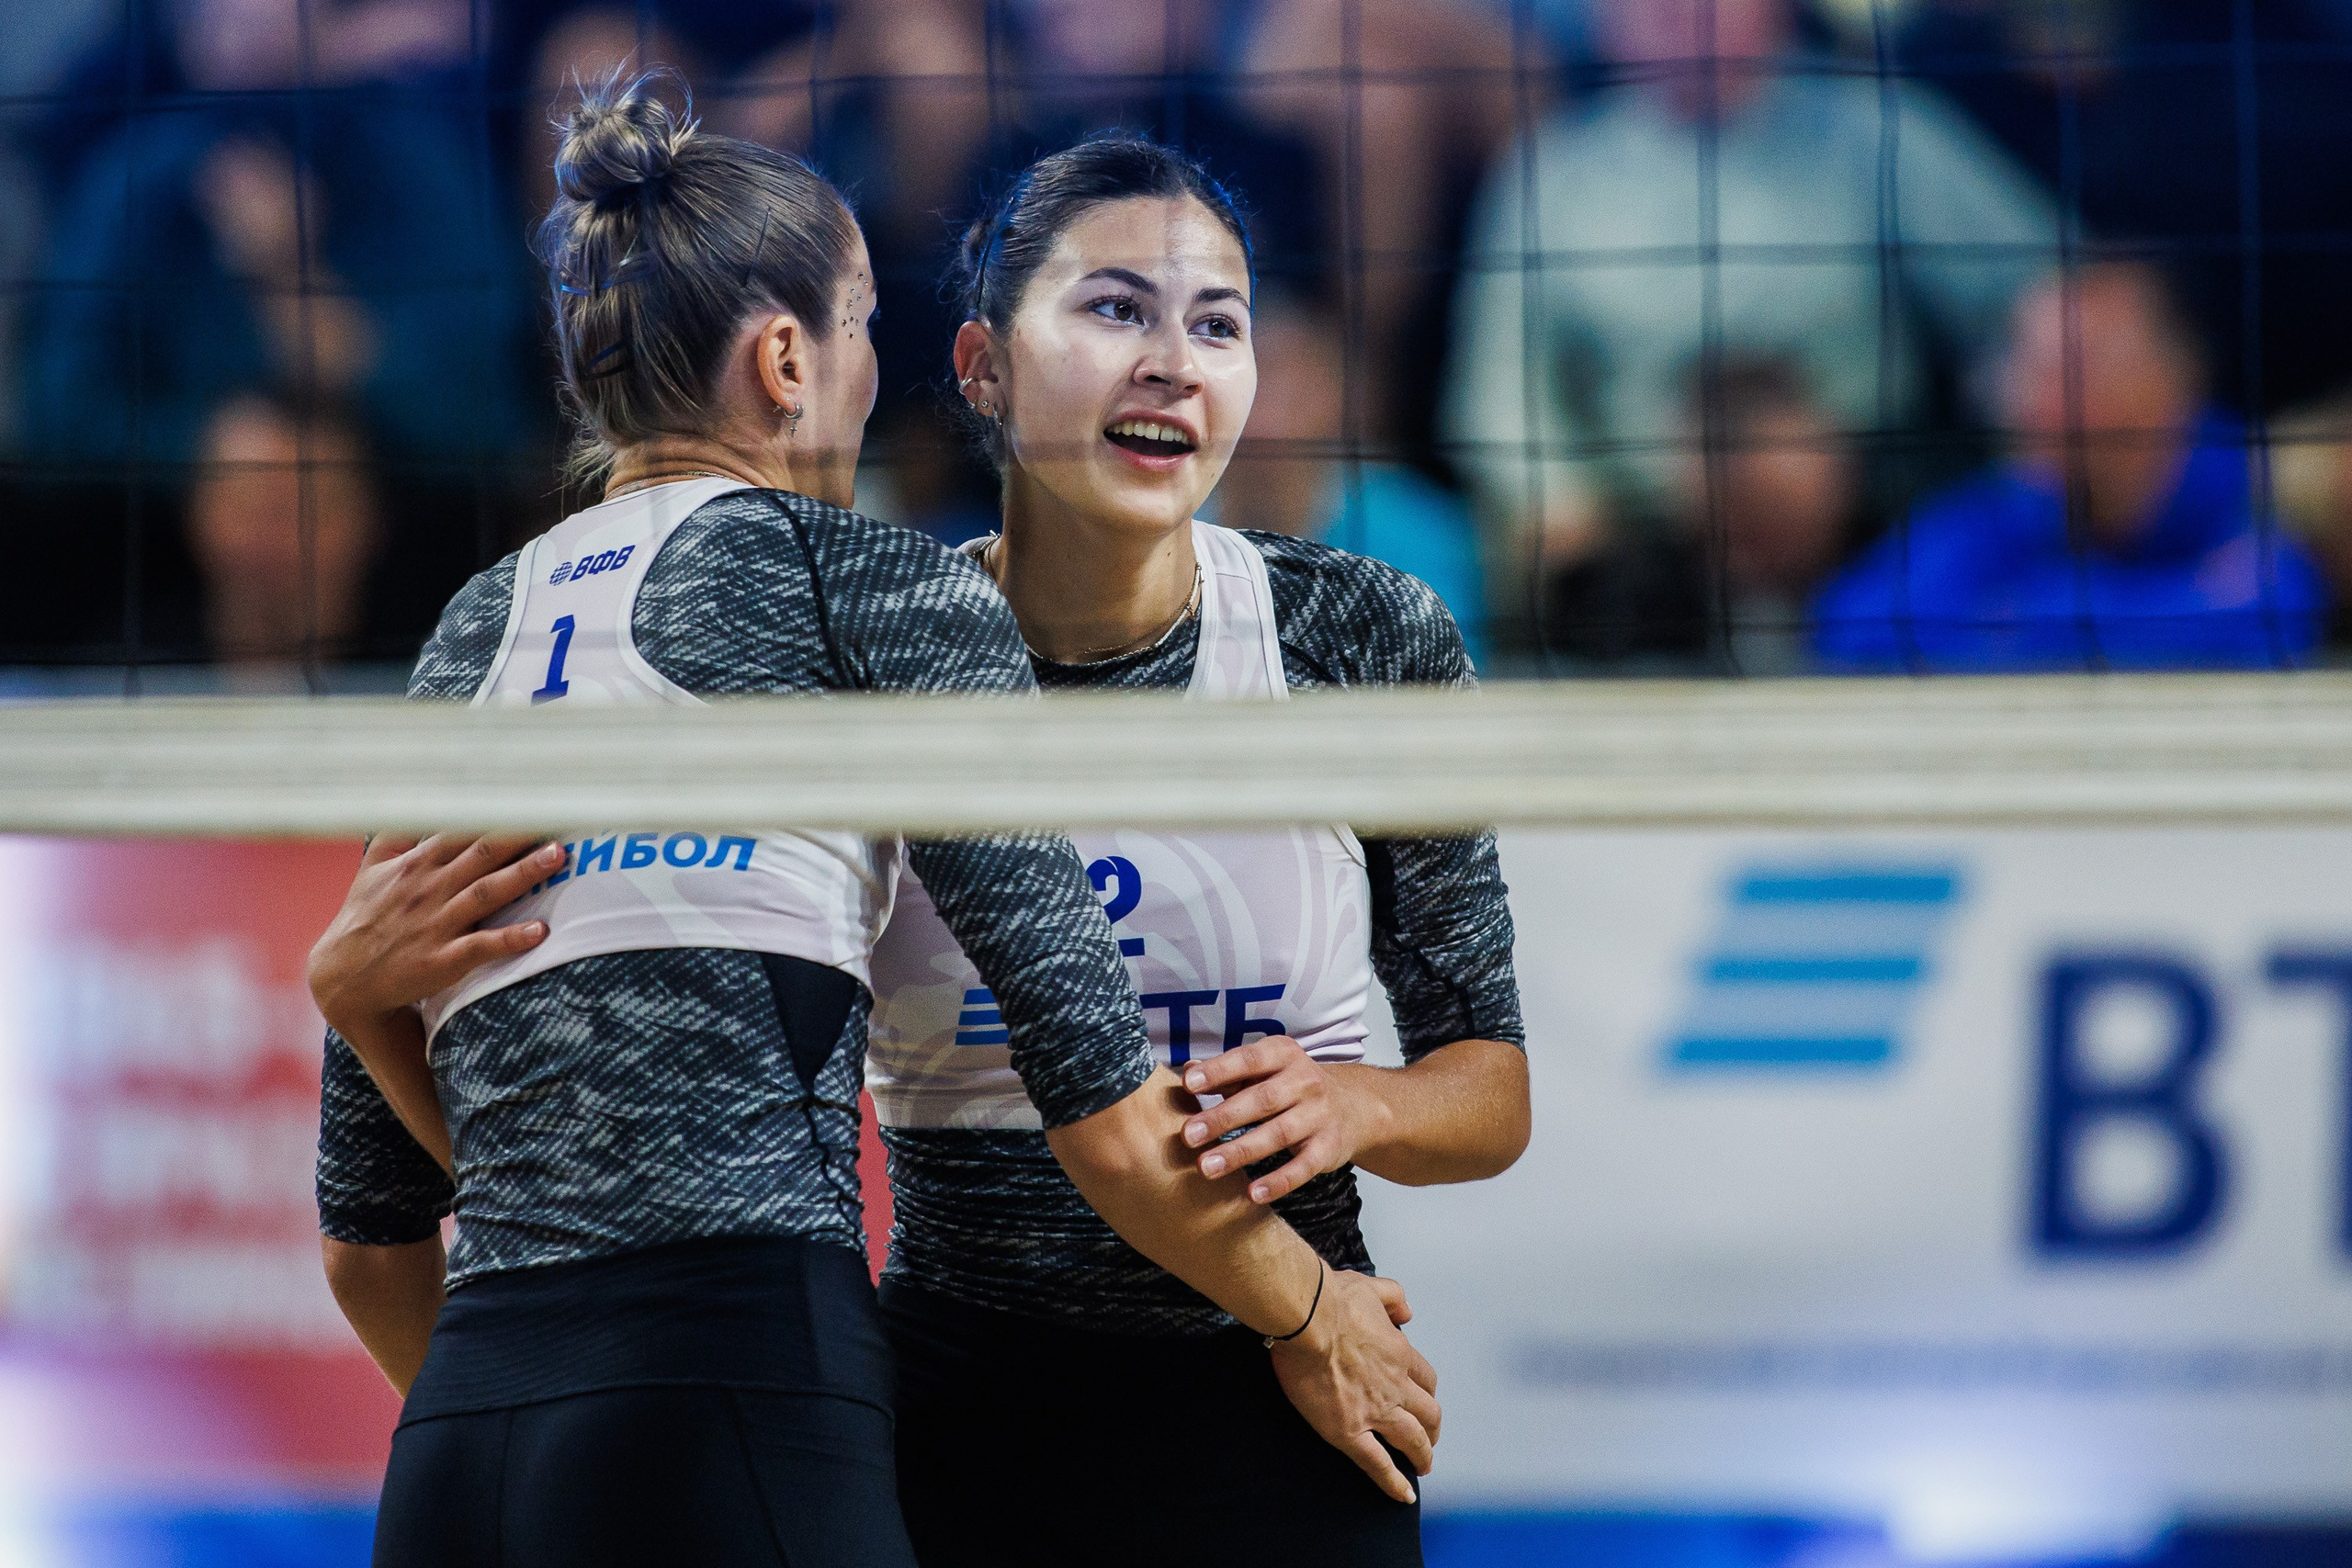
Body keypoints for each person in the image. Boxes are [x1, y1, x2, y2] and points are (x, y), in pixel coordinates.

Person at [309, 75, 1438, 1568]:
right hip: (744, 1388)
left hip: (466, 1435)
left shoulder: (473, 630)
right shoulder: (874, 583)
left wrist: (543, 1409)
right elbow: (1100, 1108)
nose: (866, 375)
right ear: (786, 358)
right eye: (858, 331)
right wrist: (1310, 1308)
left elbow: (368, 1238)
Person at [865, 135, 1530, 1568]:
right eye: (1116, 309)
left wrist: (1359, 1100)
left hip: (1295, 1381)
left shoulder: (1360, 632)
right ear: (982, 365)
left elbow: (1494, 1095)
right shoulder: (879, 654)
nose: (1174, 362)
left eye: (1217, 324)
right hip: (961, 1404)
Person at [1442, 0, 2054, 649]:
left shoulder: (1881, 133)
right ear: (1609, 19)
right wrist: (1567, 508)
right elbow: (1499, 389)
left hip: (1875, 516)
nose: (1689, 13)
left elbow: (2042, 294)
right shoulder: (1553, 173)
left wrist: (2019, 424)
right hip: (1639, 543)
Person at [1813, 263, 2327, 671]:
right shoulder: (2025, 499)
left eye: (2068, 372)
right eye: (2023, 367)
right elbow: (1852, 623)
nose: (2027, 402)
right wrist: (2068, 612)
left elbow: (2271, 619)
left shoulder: (2248, 483)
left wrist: (2013, 613)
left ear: (2167, 379)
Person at [1209, 287, 1492, 664]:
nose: (1263, 391)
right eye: (1253, 367)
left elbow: (1449, 673)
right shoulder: (1163, 519)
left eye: (1284, 373)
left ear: (1334, 396)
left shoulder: (1418, 528)